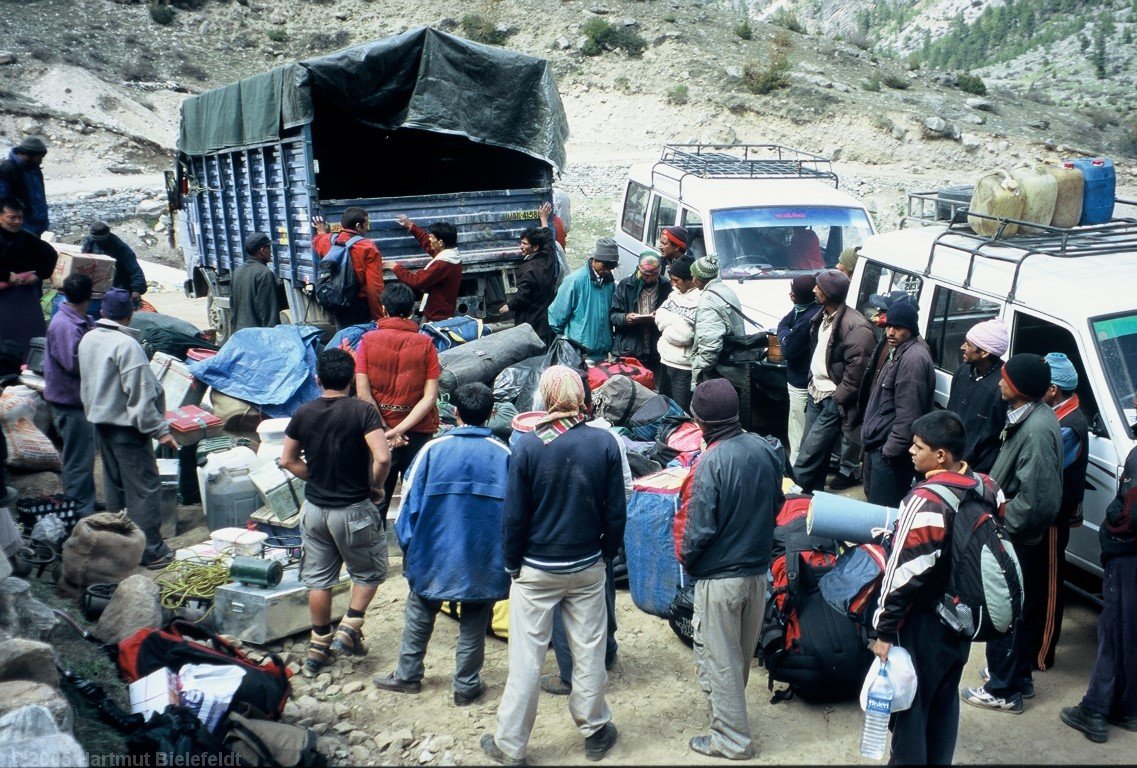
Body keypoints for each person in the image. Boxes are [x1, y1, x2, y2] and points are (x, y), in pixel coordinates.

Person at [481, 366, 625, 766]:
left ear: (543, 398)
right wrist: (606, 554)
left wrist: (512, 563)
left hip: (536, 569)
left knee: (526, 658)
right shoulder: (604, 443)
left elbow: (514, 517)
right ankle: (595, 729)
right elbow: (616, 511)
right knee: (590, 650)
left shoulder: (528, 445)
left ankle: (511, 744)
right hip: (587, 566)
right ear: (580, 396)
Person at [872, 410, 1000, 764]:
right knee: (944, 702)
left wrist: (883, 630)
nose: (911, 452)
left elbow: (904, 572)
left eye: (918, 446)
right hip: (962, 618)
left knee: (912, 710)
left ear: (941, 455)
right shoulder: (986, 486)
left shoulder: (926, 500)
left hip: (924, 623)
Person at [373, 382, 510, 705]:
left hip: (432, 554)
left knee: (420, 612)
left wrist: (411, 552)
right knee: (474, 621)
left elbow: (408, 508)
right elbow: (516, 515)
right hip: (482, 559)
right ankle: (465, 686)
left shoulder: (432, 451)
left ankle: (408, 675)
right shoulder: (504, 455)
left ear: (456, 413)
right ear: (491, 414)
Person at [674, 378, 784, 759]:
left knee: (719, 660)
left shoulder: (710, 463)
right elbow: (778, 504)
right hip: (757, 574)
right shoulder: (765, 448)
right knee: (736, 654)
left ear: (700, 421)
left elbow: (696, 530)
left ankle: (731, 740)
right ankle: (729, 720)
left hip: (721, 578)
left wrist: (688, 561)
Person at [280, 348, 391, 678]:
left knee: (318, 578)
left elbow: (287, 459)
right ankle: (350, 624)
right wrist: (376, 486)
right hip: (354, 509)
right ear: (351, 381)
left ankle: (317, 646)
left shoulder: (303, 412)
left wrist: (312, 476)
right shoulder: (362, 411)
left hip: (314, 510)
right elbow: (383, 457)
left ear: (318, 379)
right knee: (369, 572)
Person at [962, 353, 1062, 714]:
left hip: (1015, 537)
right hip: (1015, 534)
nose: (999, 382)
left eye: (1005, 378)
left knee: (1002, 608)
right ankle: (1018, 677)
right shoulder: (1030, 416)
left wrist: (1001, 526)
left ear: (1018, 389)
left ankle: (1002, 690)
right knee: (1017, 610)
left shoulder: (1036, 429)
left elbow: (1038, 502)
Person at [541, 371, 630, 698]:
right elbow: (626, 492)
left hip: (557, 546)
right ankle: (606, 651)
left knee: (563, 611)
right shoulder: (610, 439)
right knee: (601, 598)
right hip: (598, 542)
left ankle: (570, 675)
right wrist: (611, 542)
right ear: (587, 401)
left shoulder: (539, 442)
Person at [77, 288, 178, 569]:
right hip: (126, 429)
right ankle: (151, 552)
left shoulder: (88, 338)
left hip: (101, 424)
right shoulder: (126, 345)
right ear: (131, 314)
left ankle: (119, 548)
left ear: (102, 312)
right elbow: (141, 396)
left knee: (115, 488)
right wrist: (160, 430)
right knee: (144, 490)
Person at [1059, 437, 1137, 743]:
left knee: (1114, 631)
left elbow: (1132, 511)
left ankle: (1095, 711)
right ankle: (1126, 707)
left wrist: (1115, 526)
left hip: (1128, 554)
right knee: (1128, 632)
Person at [353, 283, 440, 527]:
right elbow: (430, 397)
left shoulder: (367, 341)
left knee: (376, 498)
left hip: (377, 433)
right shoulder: (426, 344)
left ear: (383, 309)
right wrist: (400, 430)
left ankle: (376, 557)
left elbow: (363, 394)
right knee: (418, 504)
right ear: (411, 311)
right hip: (418, 432)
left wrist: (385, 430)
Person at [792, 269, 875, 494]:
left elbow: (857, 371)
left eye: (818, 286)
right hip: (815, 392)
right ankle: (810, 497)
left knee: (809, 454)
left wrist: (837, 398)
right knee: (813, 452)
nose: (813, 289)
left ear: (829, 292)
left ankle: (791, 495)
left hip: (831, 399)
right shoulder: (822, 316)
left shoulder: (856, 327)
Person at [1030, 352, 1089, 671]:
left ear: (1053, 389)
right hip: (1046, 513)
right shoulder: (1059, 413)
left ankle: (1042, 653)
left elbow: (1046, 468)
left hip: (1054, 516)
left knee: (1050, 585)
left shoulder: (1069, 425)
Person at [860, 298, 935, 507]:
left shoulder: (913, 359)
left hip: (891, 455)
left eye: (898, 327)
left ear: (910, 329)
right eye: (889, 326)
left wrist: (889, 452)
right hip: (882, 447)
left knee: (882, 517)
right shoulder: (901, 351)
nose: (891, 332)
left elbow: (909, 417)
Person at [44, 274, 97, 518]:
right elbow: (74, 365)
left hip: (74, 401)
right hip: (70, 403)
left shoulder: (74, 319)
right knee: (78, 461)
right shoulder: (65, 326)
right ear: (90, 296)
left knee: (81, 459)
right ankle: (77, 516)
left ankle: (83, 507)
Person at [946, 318, 1009, 474]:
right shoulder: (963, 371)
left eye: (968, 345)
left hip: (977, 469)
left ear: (984, 352)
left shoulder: (1002, 386)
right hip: (949, 458)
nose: (962, 347)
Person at [0, 196, 58, 359]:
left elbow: (51, 256)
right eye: (12, 217)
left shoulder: (27, 238)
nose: (17, 222)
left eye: (20, 218)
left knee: (31, 340)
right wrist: (6, 275)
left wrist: (38, 275)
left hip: (25, 297)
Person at [776, 274, 822, 466]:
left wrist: (786, 334)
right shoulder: (801, 310)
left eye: (793, 292)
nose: (790, 294)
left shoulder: (808, 318)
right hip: (799, 378)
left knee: (798, 428)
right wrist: (787, 332)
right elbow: (783, 323)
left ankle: (797, 467)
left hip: (801, 383)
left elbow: (788, 349)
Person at [547, 237, 619, 359]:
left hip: (602, 354)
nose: (607, 270)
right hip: (577, 353)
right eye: (604, 266)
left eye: (611, 267)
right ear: (595, 259)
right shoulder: (575, 281)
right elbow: (556, 317)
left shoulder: (610, 284)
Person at [312, 207, 384, 326]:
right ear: (358, 226)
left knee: (343, 339)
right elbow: (374, 288)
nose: (367, 227)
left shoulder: (329, 241)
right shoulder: (368, 247)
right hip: (359, 305)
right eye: (367, 224)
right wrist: (379, 318)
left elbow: (317, 241)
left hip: (337, 300)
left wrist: (321, 232)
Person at [391, 215, 462, 321]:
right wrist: (411, 226)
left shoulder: (443, 263)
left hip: (437, 318)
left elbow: (417, 281)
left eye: (432, 237)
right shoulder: (452, 255)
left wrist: (395, 267)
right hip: (443, 313)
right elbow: (429, 245)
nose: (429, 239)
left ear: (440, 242)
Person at [688, 255, 744, 391]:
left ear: (699, 278)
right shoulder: (725, 290)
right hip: (733, 361)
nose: (692, 280)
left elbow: (710, 343)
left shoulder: (708, 300)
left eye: (693, 276)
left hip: (717, 369)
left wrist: (700, 366)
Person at [609, 252, 670, 375]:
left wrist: (661, 317)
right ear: (639, 270)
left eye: (654, 275)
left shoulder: (666, 286)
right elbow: (613, 316)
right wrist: (626, 318)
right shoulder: (626, 286)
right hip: (630, 349)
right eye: (646, 275)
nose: (650, 278)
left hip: (656, 350)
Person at [654, 255, 700, 413]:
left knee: (681, 411)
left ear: (690, 280)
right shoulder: (674, 294)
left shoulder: (699, 299)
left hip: (683, 365)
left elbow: (685, 335)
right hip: (666, 359)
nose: (672, 284)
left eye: (676, 280)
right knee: (663, 406)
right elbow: (659, 317)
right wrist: (675, 321)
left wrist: (668, 325)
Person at [499, 223, 558, 345]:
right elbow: (549, 241)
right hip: (546, 319)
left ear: (535, 247)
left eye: (524, 244)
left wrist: (509, 306)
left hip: (531, 321)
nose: (521, 246)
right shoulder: (549, 258)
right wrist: (544, 220)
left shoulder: (527, 269)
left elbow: (522, 297)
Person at [80, 222, 147, 303]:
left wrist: (137, 290)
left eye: (101, 241)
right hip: (96, 284)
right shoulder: (90, 242)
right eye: (96, 240)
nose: (98, 243)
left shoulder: (121, 248)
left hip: (118, 286)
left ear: (108, 236)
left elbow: (135, 270)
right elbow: (83, 261)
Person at [229, 232, 280, 332]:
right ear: (262, 250)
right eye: (269, 248)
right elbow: (269, 313)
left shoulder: (237, 271)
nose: (271, 252)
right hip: (257, 337)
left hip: (239, 335)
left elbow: (232, 307)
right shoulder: (265, 274)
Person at [0, 137, 49, 236]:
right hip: (21, 225)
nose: (40, 162)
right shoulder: (7, 170)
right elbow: (2, 201)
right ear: (28, 155)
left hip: (38, 224)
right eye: (39, 158)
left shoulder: (34, 169)